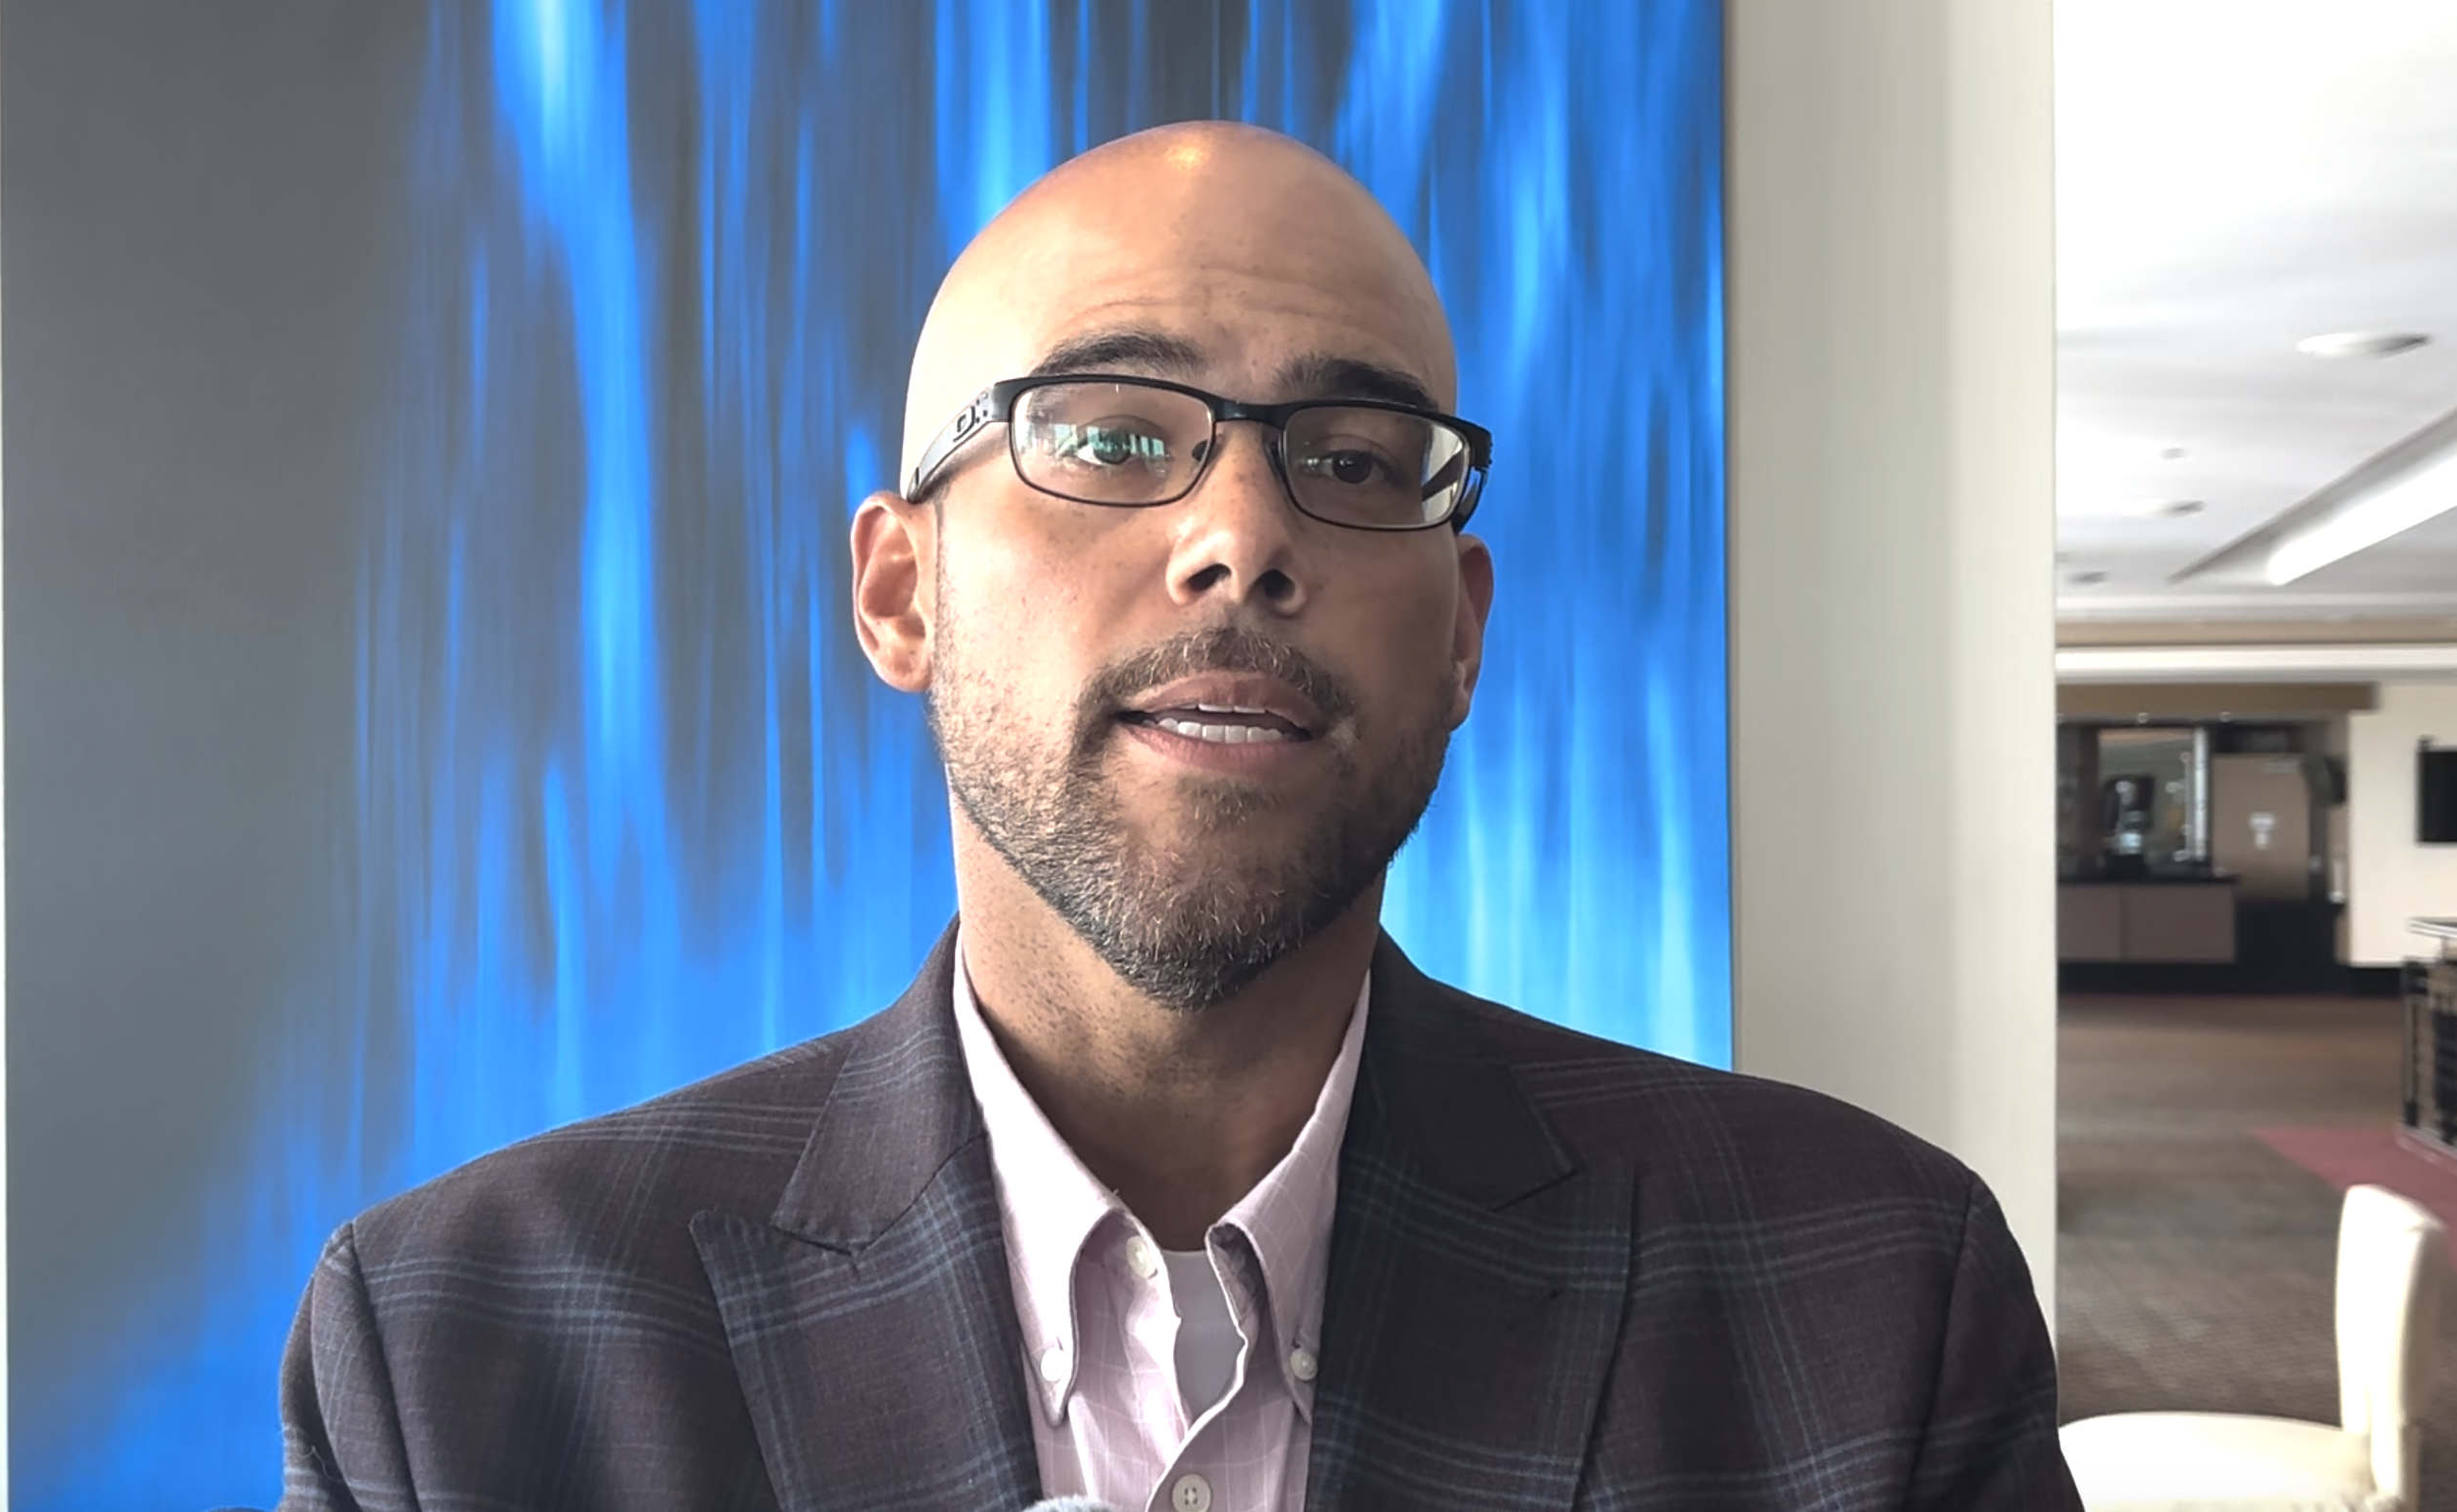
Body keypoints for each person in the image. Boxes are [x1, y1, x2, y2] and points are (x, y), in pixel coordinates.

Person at [278, 121, 2079, 1512]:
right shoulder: (460, 1346)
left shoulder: (1866, 1296)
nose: (1243, 533)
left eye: (1355, 463)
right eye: (1117, 437)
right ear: (899, 595)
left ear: (1460, 633)